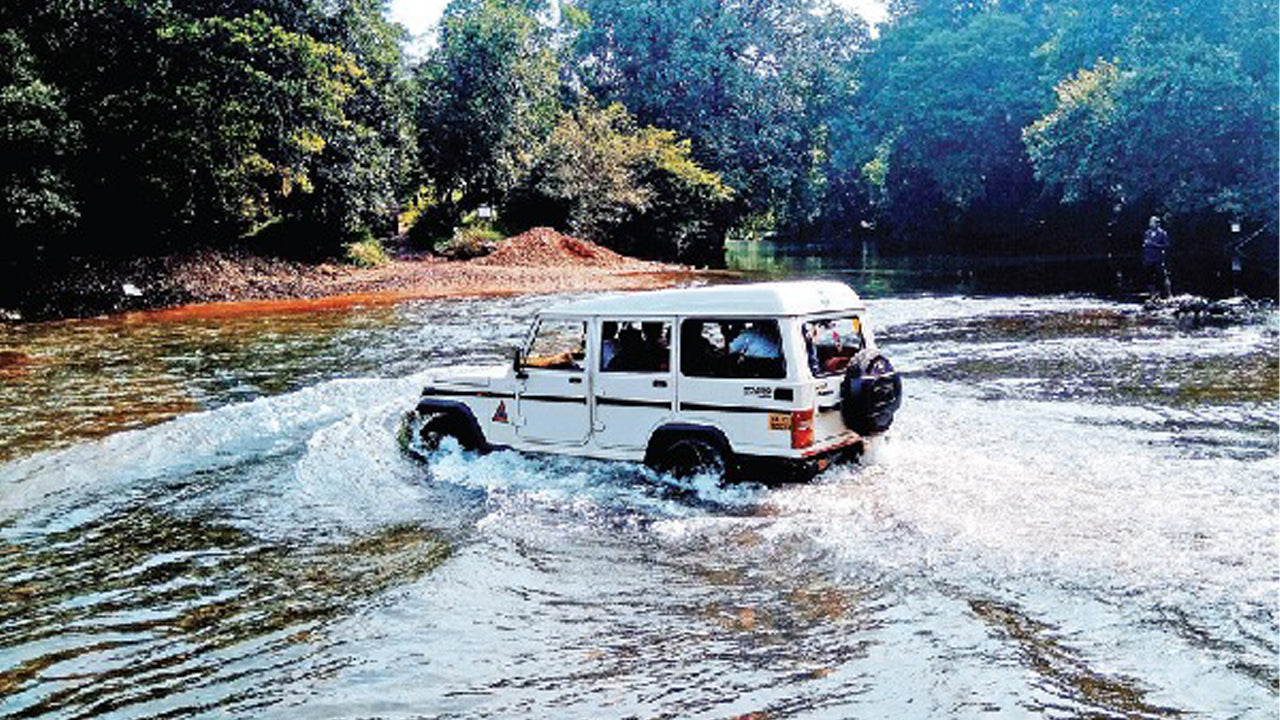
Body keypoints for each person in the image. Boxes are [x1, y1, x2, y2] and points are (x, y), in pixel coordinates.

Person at [1142, 216, 1172, 298]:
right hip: (1148, 258)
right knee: (1149, 277)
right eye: (1150, 222)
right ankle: (1153, 294)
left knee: (1162, 276)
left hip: (1158, 258)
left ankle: (1168, 294)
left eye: (1152, 222)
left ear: (1157, 223)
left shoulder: (1162, 233)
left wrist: (1154, 245)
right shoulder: (1147, 233)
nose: (1150, 224)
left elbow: (1166, 245)